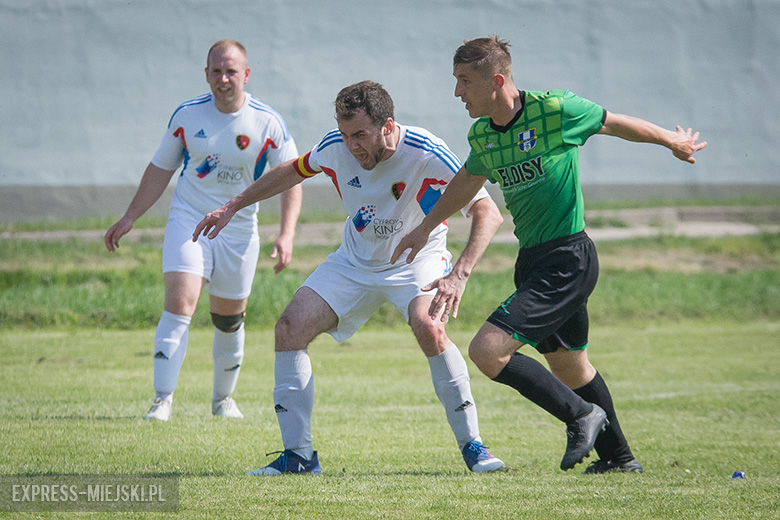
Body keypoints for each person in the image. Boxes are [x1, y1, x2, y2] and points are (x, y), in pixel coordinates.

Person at [393, 36, 708, 473]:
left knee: (487, 351)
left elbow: (613, 123)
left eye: (464, 81)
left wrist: (671, 140)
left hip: (568, 259)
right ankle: (620, 459)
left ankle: (581, 415)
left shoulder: (555, 109)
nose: (457, 93)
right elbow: (466, 180)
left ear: (496, 81)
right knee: (570, 367)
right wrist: (424, 226)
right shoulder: (483, 134)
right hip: (533, 262)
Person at [193, 80, 506, 475]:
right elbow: (294, 170)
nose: (351, 146)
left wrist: (458, 273)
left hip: (416, 259)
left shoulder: (426, 152)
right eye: (345, 135)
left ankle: (474, 447)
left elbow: (487, 213)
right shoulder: (335, 148)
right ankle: (299, 457)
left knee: (429, 326)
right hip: (354, 263)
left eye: (360, 135)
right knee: (288, 328)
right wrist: (232, 205)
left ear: (387, 126)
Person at [104, 39, 302, 421]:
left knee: (228, 320)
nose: (223, 79)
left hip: (239, 230)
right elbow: (159, 170)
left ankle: (222, 401)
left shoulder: (269, 122)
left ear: (246, 74)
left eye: (231, 71)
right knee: (180, 304)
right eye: (216, 71)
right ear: (206, 74)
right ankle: (162, 400)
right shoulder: (187, 116)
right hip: (190, 220)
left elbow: (292, 178)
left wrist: (287, 232)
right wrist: (130, 217)